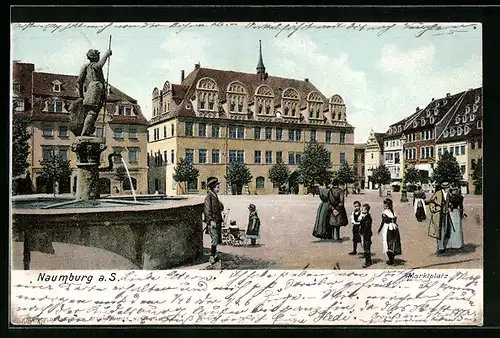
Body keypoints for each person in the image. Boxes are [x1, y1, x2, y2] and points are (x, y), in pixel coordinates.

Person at [77, 48, 112, 136]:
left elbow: (79, 82)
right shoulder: (94, 66)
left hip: (92, 91)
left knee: (93, 112)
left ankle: (88, 132)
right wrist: (106, 54)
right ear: (97, 57)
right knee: (92, 112)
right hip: (95, 90)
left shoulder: (85, 67)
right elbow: (99, 65)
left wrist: (81, 95)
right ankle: (84, 134)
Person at [428, 181, 453, 255]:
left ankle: (444, 246)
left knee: (446, 230)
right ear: (445, 188)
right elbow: (431, 202)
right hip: (438, 215)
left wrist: (449, 206)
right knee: (439, 231)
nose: (449, 189)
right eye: (448, 188)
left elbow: (448, 202)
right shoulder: (438, 193)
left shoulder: (448, 194)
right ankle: (440, 247)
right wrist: (435, 209)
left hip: (446, 214)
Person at [203, 177, 224, 264]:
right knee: (214, 239)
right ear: (213, 187)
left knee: (216, 238)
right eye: (217, 187)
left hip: (217, 221)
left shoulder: (214, 196)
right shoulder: (209, 197)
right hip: (213, 222)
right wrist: (210, 220)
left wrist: (221, 206)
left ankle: (214, 254)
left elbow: (219, 206)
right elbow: (207, 210)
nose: (219, 188)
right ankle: (211, 257)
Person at [378, 198, 402, 265]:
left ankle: (391, 260)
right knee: (394, 242)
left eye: (385, 204)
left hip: (387, 228)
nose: (384, 205)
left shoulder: (385, 213)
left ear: (387, 205)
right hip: (395, 227)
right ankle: (392, 258)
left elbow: (384, 221)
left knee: (387, 242)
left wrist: (379, 229)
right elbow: (395, 220)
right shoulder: (393, 212)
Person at [359, 203, 373, 268]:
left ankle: (368, 262)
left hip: (366, 235)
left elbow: (366, 227)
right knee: (365, 247)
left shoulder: (368, 217)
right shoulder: (365, 216)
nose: (361, 210)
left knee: (366, 248)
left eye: (363, 209)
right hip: (365, 234)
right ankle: (368, 261)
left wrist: (362, 232)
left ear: (367, 210)